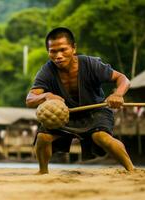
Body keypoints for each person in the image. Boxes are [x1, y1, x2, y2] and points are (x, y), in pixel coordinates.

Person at [26, 27, 134, 174]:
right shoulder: (47, 70)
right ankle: (43, 172)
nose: (58, 56)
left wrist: (118, 94)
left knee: (101, 137)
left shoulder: (90, 64)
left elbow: (123, 79)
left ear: (73, 48)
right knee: (43, 137)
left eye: (63, 50)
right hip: (65, 115)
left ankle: (131, 169)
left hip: (96, 112)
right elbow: (30, 99)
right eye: (53, 51)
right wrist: (45, 96)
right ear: (48, 52)